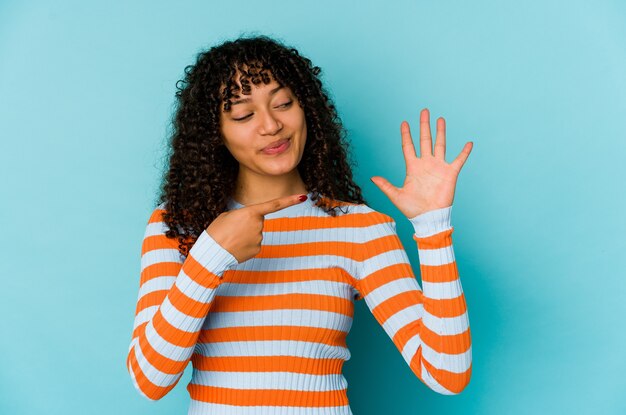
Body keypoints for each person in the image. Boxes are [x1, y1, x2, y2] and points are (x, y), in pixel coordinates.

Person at [126, 34, 474, 414]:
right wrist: (209, 259)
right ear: (215, 134)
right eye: (244, 114)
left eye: (283, 104)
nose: (271, 125)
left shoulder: (358, 228)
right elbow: (150, 380)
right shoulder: (177, 224)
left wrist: (432, 227)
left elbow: (446, 373)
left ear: (305, 108)